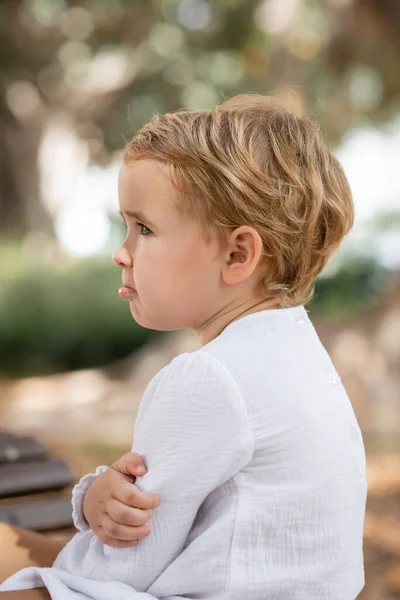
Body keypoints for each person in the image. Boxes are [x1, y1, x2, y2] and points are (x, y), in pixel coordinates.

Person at [0, 93, 368, 599]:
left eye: (144, 228)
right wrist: (96, 500)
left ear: (238, 253)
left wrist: (88, 508)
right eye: (124, 227)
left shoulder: (208, 378)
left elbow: (124, 567)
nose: (119, 253)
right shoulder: (300, 354)